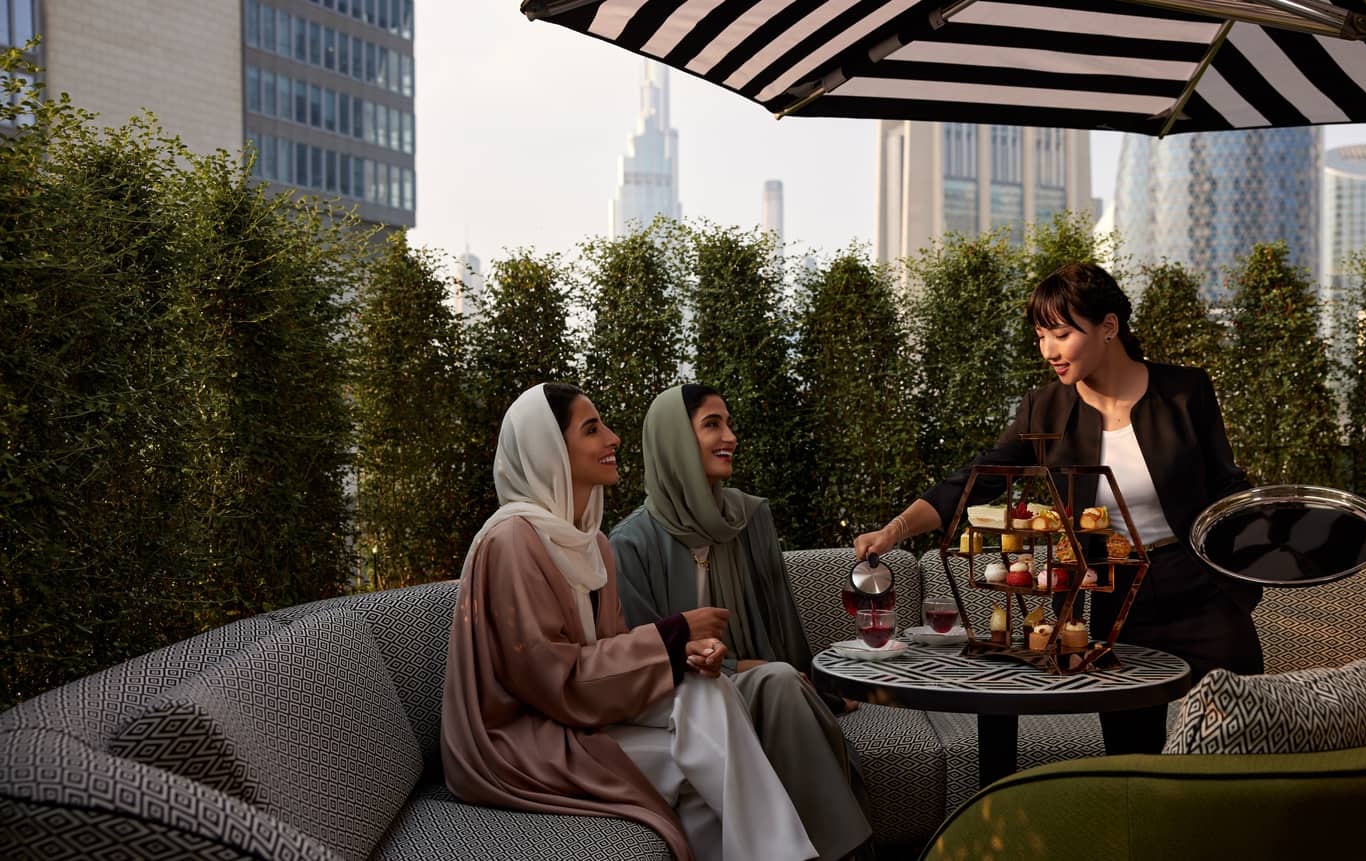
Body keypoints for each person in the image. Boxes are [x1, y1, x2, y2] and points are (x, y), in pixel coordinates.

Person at [853, 262, 1264, 755]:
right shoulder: (1044, 408)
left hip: (1203, 593)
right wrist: (895, 530)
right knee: (1130, 754)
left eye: (1062, 334)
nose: (1048, 350)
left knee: (1242, 739)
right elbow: (977, 480)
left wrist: (1250, 574)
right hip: (1118, 596)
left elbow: (1228, 487)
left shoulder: (1185, 391)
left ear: (1109, 327)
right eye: (1041, 335)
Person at [441, 382, 818, 861]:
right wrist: (671, 636)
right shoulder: (512, 541)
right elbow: (550, 680)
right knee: (697, 763)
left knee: (709, 687)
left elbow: (612, 652)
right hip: (522, 742)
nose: (614, 439)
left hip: (584, 718)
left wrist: (680, 654)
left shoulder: (592, 543)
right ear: (550, 448)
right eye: (593, 429)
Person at [610, 384, 874, 861]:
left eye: (729, 423)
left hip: (767, 689)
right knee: (775, 680)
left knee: (779, 680)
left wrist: (819, 687)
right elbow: (643, 661)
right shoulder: (629, 545)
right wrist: (739, 669)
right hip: (688, 706)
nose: (729, 435)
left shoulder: (750, 518)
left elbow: (785, 629)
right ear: (674, 440)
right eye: (712, 424)